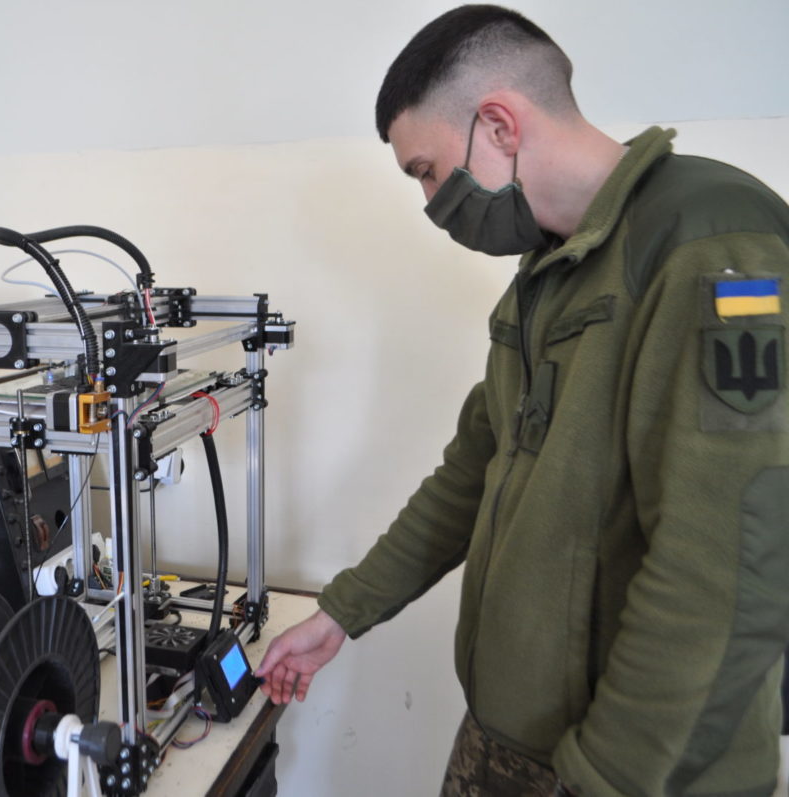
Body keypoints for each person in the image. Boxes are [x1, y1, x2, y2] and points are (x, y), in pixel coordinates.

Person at [255, 5, 789, 796]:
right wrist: (341, 613)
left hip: (634, 769)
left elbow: (729, 560)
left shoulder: (713, 242)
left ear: (499, 125)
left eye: (427, 170)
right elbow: (472, 473)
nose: (431, 200)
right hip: (511, 740)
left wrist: (605, 774)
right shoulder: (548, 274)